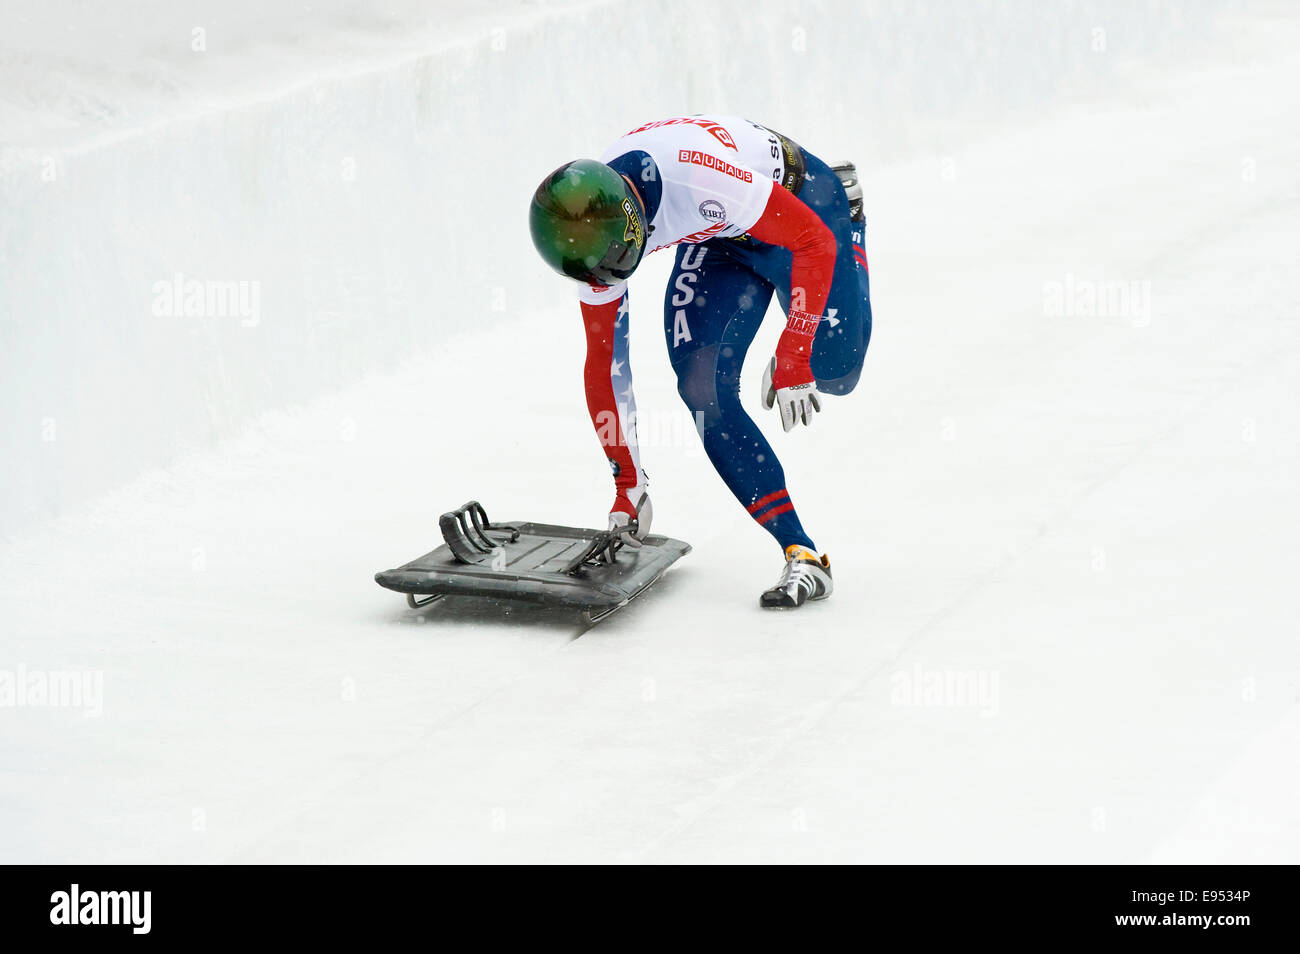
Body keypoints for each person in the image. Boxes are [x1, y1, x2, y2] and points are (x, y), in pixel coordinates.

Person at [528, 115, 872, 608]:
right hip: (717, 236)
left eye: (630, 254)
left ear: (635, 212)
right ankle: (803, 553)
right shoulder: (590, 243)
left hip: (800, 208)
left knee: (837, 372)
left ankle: (855, 222)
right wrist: (628, 483)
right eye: (611, 270)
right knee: (702, 388)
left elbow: (812, 241)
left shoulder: (695, 175)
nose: (620, 272)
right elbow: (605, 363)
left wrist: (794, 352)